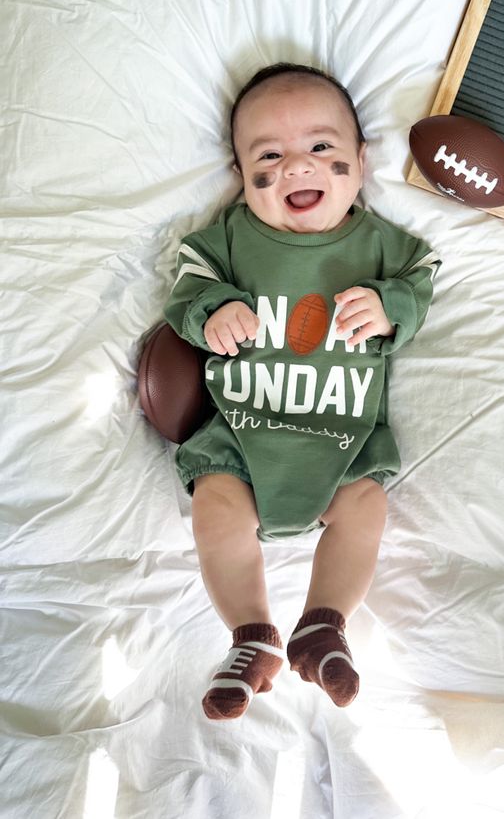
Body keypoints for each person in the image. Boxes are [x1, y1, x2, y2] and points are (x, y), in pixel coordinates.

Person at [165, 63, 439, 720]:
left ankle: (323, 624)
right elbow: (186, 290)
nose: (297, 166)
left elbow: (424, 277)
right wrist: (212, 310)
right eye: (270, 155)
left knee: (365, 504)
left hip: (343, 443)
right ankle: (251, 634)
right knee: (216, 507)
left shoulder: (383, 244)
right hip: (240, 436)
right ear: (240, 174)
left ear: (360, 161)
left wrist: (389, 304)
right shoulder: (226, 238)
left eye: (321, 147)